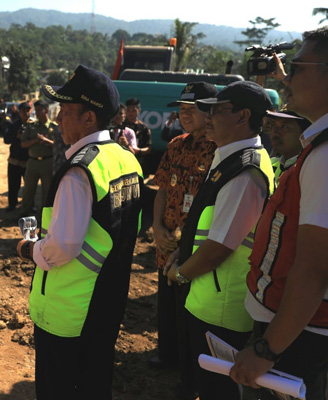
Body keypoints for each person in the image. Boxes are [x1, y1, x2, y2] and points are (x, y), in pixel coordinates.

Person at [16, 65, 143, 399]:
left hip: (70, 312)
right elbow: (130, 228)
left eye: (66, 111)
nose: (58, 119)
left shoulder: (79, 171)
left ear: (89, 118)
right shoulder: (125, 159)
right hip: (108, 302)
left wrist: (30, 250)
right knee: (94, 385)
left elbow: (63, 246)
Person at [229, 26, 328, 400]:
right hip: (297, 328)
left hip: (297, 337)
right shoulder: (318, 146)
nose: (288, 77)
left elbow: (315, 269)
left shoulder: (323, 158)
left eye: (297, 67)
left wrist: (268, 349)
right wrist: (291, 79)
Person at [165, 81, 275, 400]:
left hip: (221, 310)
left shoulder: (245, 172)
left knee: (219, 391)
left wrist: (182, 271)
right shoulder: (230, 159)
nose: (208, 116)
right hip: (208, 299)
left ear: (242, 116)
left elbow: (218, 250)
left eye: (217, 110)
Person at [150, 82, 218, 400]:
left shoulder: (219, 150)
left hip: (192, 248)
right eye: (182, 109)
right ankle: (168, 356)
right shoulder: (176, 145)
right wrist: (155, 226)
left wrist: (183, 243)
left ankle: (189, 373)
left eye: (192, 109)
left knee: (189, 308)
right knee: (166, 301)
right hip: (166, 240)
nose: (184, 115)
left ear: (211, 112)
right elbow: (162, 187)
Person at [17, 99, 58, 215]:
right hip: (32, 163)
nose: (37, 113)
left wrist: (46, 141)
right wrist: (35, 140)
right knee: (28, 190)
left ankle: (44, 217)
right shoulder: (31, 126)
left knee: (47, 191)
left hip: (47, 163)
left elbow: (59, 146)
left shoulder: (54, 127)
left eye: (39, 110)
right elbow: (23, 144)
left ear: (46, 110)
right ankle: (25, 213)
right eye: (36, 110)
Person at [3, 101, 31, 212]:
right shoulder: (13, 125)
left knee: (29, 186)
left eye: (28, 110)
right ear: (19, 112)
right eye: (24, 111)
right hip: (14, 160)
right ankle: (12, 204)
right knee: (13, 185)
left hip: (28, 161)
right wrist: (16, 136)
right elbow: (6, 140)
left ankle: (29, 205)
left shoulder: (33, 125)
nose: (26, 113)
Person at [266, 109, 309, 181]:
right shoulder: (269, 166)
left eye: (284, 126)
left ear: (304, 134)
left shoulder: (310, 168)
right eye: (273, 125)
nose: (274, 132)